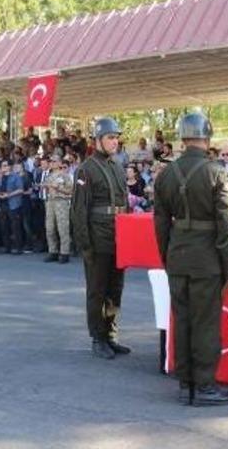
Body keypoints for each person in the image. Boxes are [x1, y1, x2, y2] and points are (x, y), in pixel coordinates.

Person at [153, 113, 228, 406]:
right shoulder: (217, 172)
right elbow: (227, 225)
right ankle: (204, 386)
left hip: (177, 254)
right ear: (207, 136)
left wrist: (167, 256)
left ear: (182, 137)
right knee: (205, 322)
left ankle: (185, 380)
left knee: (183, 319)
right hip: (206, 259)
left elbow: (160, 223)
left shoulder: (165, 174)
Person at [71, 117, 131, 360]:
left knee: (115, 289)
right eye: (110, 137)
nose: (115, 141)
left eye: (116, 137)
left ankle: (111, 336)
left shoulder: (117, 166)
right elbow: (79, 210)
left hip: (118, 236)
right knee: (97, 290)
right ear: (98, 140)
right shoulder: (87, 168)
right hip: (97, 237)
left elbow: (124, 203)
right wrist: (85, 245)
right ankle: (98, 338)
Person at [44, 155, 73, 263]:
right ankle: (53, 251)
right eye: (50, 161)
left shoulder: (65, 176)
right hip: (51, 202)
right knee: (50, 228)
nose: (52, 163)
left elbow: (70, 191)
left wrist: (59, 188)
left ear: (60, 163)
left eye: (54, 161)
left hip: (61, 202)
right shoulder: (49, 175)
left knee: (63, 228)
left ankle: (64, 252)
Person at [0, 160, 25, 255]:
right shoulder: (1, 177)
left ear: (9, 167)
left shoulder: (16, 176)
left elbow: (20, 190)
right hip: (3, 204)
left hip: (13, 204)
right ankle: (7, 247)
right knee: (4, 226)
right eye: (2, 166)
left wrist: (8, 195)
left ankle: (18, 247)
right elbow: (0, 188)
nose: (3, 168)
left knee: (15, 227)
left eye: (5, 165)